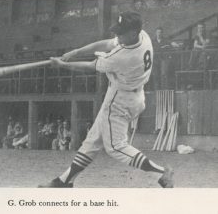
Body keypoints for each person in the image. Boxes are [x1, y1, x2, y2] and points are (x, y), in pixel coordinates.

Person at [39, 11, 173, 188]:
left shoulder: (124, 57)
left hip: (120, 100)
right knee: (93, 140)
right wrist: (76, 51)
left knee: (115, 147)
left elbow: (89, 66)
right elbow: (109, 43)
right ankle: (64, 181)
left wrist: (62, 65)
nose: (117, 35)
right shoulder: (142, 35)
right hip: (134, 95)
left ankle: (162, 172)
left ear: (133, 32)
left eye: (121, 32)